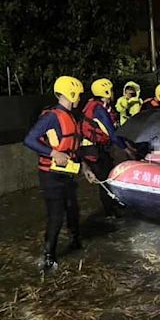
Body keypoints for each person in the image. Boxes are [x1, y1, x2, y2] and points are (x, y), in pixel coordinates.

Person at [24, 76, 91, 270]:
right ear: (70, 93)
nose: (80, 98)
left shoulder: (72, 116)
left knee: (72, 208)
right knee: (56, 214)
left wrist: (85, 167)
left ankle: (75, 241)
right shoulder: (52, 116)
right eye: (78, 94)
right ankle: (48, 255)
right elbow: (29, 139)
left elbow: (75, 147)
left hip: (67, 171)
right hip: (50, 174)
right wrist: (53, 152)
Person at [80, 78, 134, 218]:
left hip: (98, 148)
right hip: (93, 150)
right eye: (111, 90)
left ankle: (112, 205)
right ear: (106, 91)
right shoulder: (99, 109)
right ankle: (110, 213)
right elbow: (112, 132)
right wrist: (125, 148)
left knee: (108, 176)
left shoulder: (99, 106)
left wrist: (125, 144)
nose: (113, 93)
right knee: (104, 180)